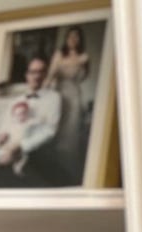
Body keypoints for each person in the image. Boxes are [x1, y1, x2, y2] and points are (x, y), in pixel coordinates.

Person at [0, 55, 62, 186]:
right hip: (10, 147)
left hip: (36, 151)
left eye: (40, 72)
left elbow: (50, 130)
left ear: (45, 75)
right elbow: (6, 125)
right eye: (32, 72)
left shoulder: (54, 98)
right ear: (27, 75)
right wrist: (1, 138)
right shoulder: (17, 100)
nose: (36, 76)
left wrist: (20, 147)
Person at [45, 26, 92, 183]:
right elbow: (51, 74)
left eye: (76, 37)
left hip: (74, 94)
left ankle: (65, 169)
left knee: (70, 130)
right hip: (59, 92)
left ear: (80, 40)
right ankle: (51, 166)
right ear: (66, 38)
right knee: (56, 126)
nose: (73, 39)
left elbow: (84, 76)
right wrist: (44, 91)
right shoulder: (59, 54)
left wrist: (79, 68)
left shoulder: (84, 57)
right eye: (70, 36)